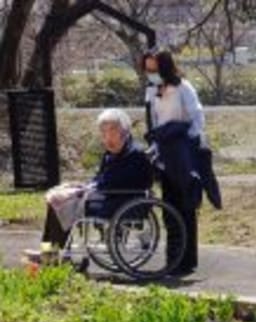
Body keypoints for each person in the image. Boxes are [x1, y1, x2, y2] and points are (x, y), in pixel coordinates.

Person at [30, 108, 152, 261]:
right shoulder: (111, 154)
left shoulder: (135, 154)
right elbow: (101, 178)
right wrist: (84, 186)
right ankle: (51, 253)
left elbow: (124, 182)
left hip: (120, 202)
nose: (107, 136)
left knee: (61, 204)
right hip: (106, 198)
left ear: (124, 130)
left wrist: (92, 188)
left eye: (112, 130)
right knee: (56, 202)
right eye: (103, 131)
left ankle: (51, 255)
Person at [142, 49, 219, 276]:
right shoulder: (152, 91)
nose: (150, 73)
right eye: (147, 69)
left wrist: (185, 141)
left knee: (186, 208)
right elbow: (153, 123)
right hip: (165, 156)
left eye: (154, 69)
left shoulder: (183, 88)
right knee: (169, 210)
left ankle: (187, 262)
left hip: (184, 154)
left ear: (165, 67)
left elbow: (197, 118)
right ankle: (173, 260)